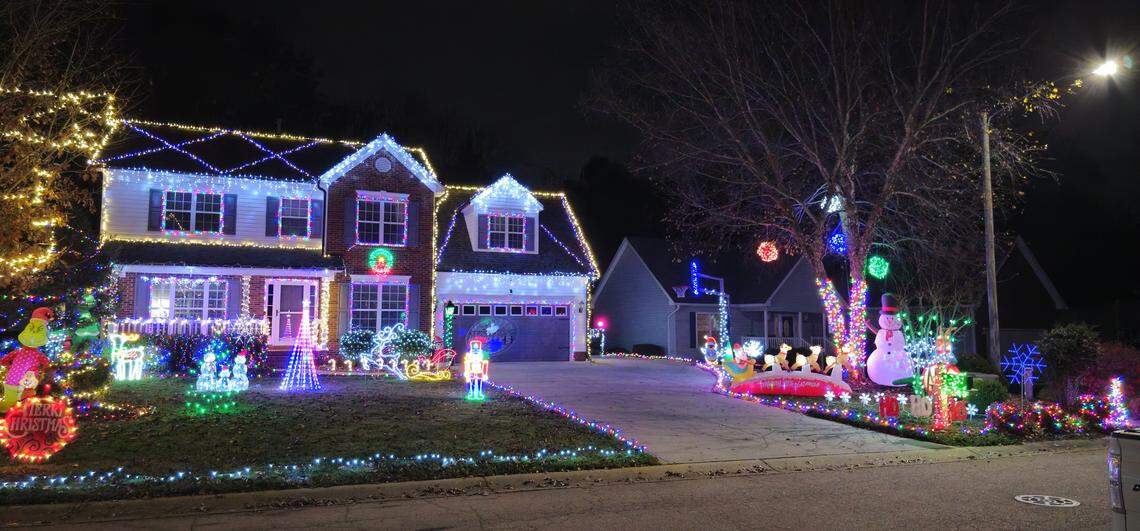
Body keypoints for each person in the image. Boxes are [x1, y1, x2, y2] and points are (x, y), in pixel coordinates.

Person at [1, 307, 54, 412]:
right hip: (21, 382)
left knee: (17, 404)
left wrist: (10, 367)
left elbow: (3, 361)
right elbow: (47, 365)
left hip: (22, 382)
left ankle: (12, 415)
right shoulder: (32, 354)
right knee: (17, 405)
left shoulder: (29, 353)